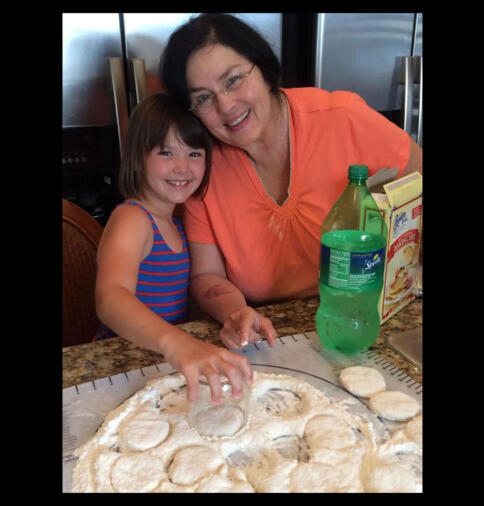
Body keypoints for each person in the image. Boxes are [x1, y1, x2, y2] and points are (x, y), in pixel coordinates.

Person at [160, 13, 423, 351]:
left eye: (233, 80)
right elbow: (207, 276)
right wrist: (236, 312)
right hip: (268, 336)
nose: (226, 105)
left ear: (264, 69)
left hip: (365, 316)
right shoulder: (202, 166)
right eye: (203, 98)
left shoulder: (341, 118)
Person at [93, 93, 252, 403]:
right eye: (166, 153)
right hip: (120, 370)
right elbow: (109, 297)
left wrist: (234, 315)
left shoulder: (178, 221)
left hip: (161, 363)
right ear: (138, 158)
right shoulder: (133, 218)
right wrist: (177, 343)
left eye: (194, 154)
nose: (182, 167)